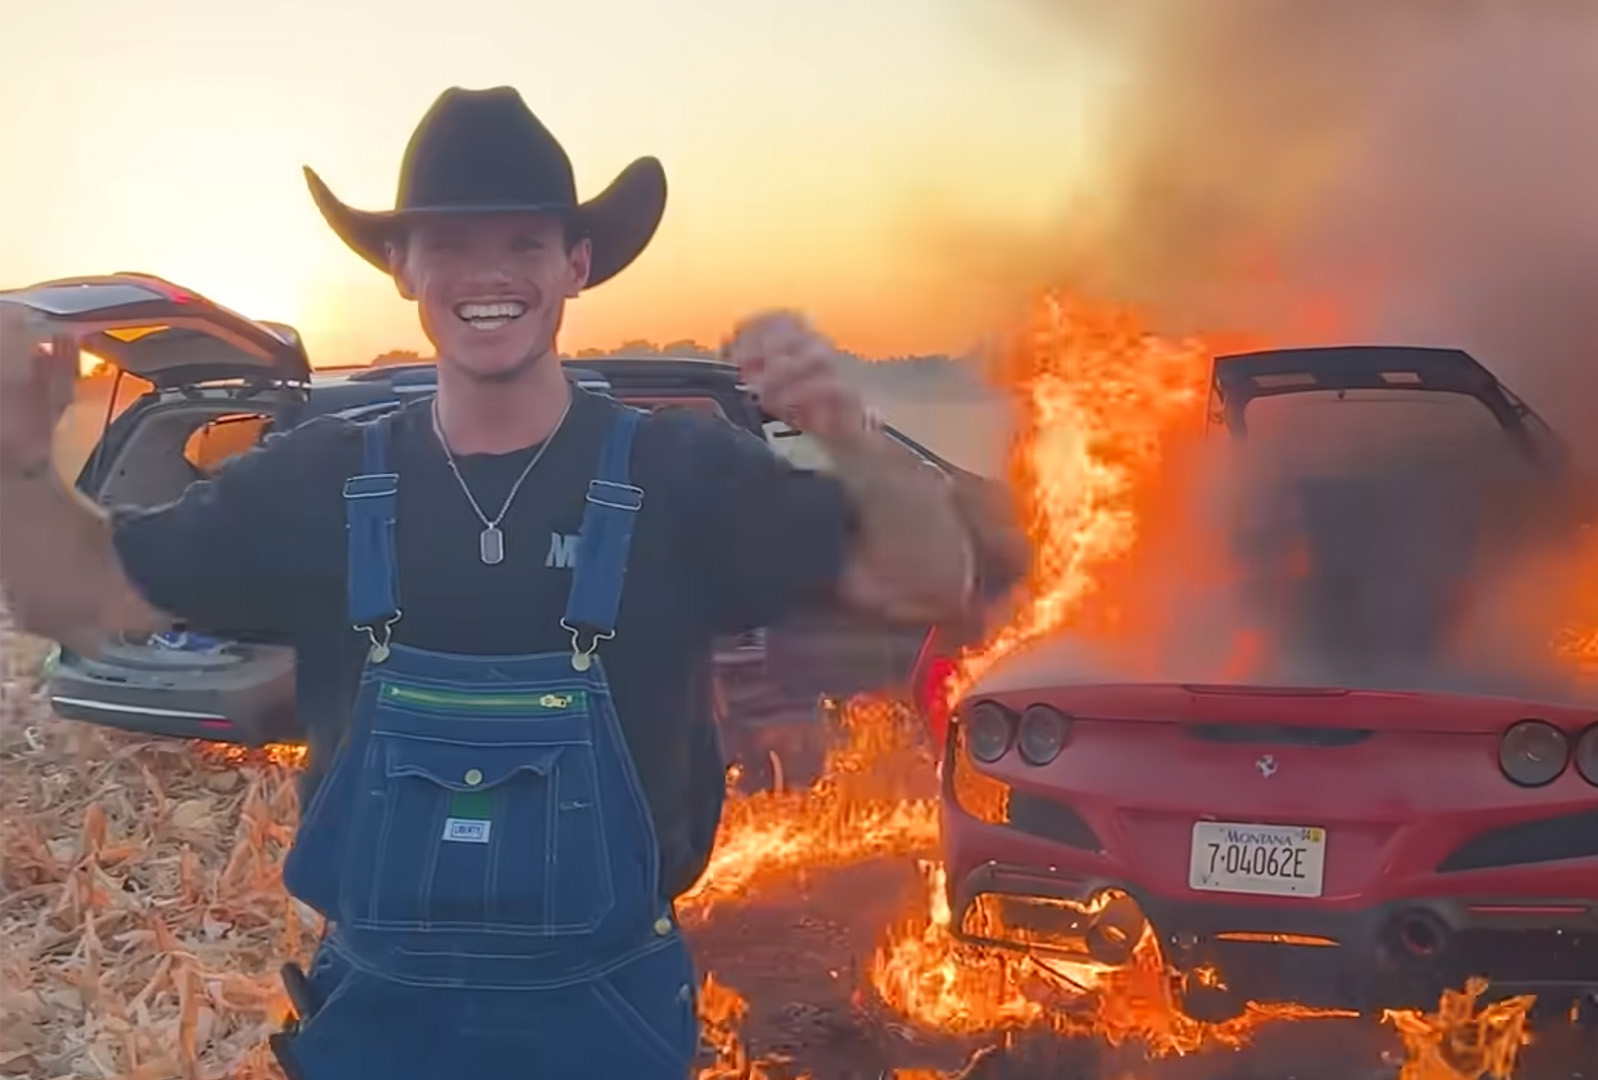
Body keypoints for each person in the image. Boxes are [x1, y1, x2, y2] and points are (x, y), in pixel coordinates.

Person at [0, 86, 995, 1079]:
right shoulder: (316, 482)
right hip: (378, 1029)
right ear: (401, 268)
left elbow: (931, 577)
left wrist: (849, 435)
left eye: (523, 243)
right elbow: (82, 591)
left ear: (576, 265)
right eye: (450, 242)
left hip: (605, 1024)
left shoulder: (683, 480)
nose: (489, 274)